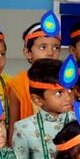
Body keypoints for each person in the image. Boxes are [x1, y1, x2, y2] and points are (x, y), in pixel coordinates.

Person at [12, 58, 75, 159]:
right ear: (37, 100)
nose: (68, 97)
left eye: (70, 90)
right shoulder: (24, 129)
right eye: (59, 93)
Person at [7, 12, 62, 140]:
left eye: (56, 48)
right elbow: (13, 125)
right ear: (28, 53)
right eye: (43, 47)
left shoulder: (64, 81)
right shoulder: (18, 84)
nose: (50, 53)